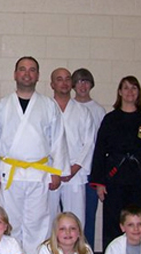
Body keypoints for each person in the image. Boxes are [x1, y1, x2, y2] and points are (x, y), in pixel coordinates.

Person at [0, 56, 68, 254]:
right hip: (10, 173)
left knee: (38, 224)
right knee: (11, 224)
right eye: (22, 69)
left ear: (37, 75)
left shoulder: (48, 105)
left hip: (39, 173)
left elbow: (58, 139)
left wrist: (58, 171)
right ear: (15, 74)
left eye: (31, 70)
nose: (26, 74)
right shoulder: (1, 106)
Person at [90, 76, 141, 250]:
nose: (130, 92)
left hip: (140, 178)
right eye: (126, 88)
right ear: (120, 92)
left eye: (134, 88)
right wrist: (99, 183)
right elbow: (99, 151)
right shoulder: (110, 119)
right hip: (115, 177)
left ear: (139, 93)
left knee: (139, 220)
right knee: (114, 221)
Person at [48, 68, 94, 225]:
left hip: (75, 173)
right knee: (47, 220)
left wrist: (74, 169)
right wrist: (53, 170)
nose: (64, 83)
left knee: (76, 220)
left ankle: (76, 250)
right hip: (49, 172)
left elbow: (89, 143)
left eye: (68, 79)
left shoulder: (83, 111)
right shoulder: (44, 108)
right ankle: (48, 250)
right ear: (52, 84)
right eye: (59, 79)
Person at [71, 68, 106, 249]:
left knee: (87, 216)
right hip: (68, 173)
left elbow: (100, 144)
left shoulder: (98, 110)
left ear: (91, 84)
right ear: (73, 85)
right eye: (78, 81)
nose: (82, 85)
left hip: (91, 172)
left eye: (86, 81)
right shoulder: (67, 107)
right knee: (67, 216)